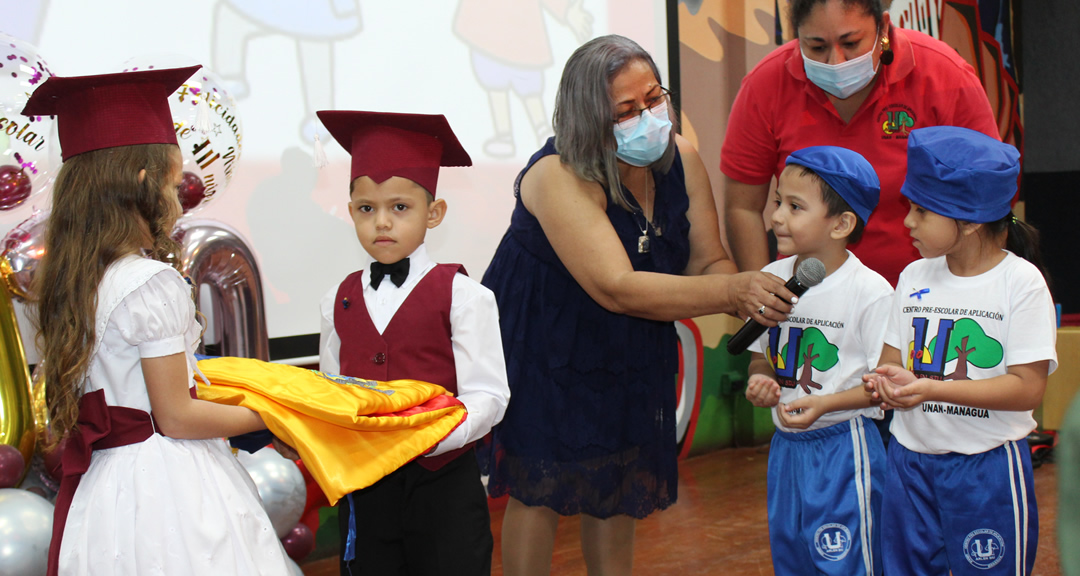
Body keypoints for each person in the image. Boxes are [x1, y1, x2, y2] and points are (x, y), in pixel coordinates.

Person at [480, 34, 799, 576]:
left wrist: (752, 298)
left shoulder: (682, 158)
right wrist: (734, 289)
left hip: (631, 337)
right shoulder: (556, 174)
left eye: (654, 98)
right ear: (586, 120)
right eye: (625, 111)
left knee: (620, 472)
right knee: (541, 482)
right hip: (545, 337)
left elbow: (708, 262)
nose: (648, 117)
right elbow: (616, 286)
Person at [24, 67, 289, 575]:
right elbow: (177, 417)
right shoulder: (149, 281)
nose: (179, 198)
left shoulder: (79, 280)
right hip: (169, 485)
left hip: (107, 490)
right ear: (144, 184)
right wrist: (278, 413)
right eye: (173, 183)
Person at [315, 110, 511, 575]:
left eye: (399, 207)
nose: (382, 222)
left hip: (443, 488)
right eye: (367, 209)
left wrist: (435, 438)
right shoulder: (335, 300)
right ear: (351, 212)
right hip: (368, 487)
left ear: (434, 213)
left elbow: (489, 394)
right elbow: (331, 389)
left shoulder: (465, 296)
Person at [864, 126, 1056, 575]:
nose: (907, 222)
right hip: (909, 463)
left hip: (986, 470)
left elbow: (1028, 389)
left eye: (921, 211)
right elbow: (892, 360)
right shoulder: (914, 276)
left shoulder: (1021, 283)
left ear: (969, 221)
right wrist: (885, 380)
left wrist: (929, 390)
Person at [721, 0, 1000, 287]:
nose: (835, 62)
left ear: (883, 27)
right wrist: (763, 295)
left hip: (924, 296)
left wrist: (966, 291)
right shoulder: (766, 84)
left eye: (851, 43)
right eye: (816, 47)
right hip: (807, 297)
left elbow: (987, 194)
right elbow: (743, 207)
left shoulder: (943, 74)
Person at [744, 146, 891, 575]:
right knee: (792, 558)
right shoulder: (772, 277)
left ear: (842, 224)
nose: (775, 217)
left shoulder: (870, 292)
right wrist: (761, 381)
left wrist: (825, 405)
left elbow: (882, 388)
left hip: (844, 448)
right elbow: (761, 359)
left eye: (795, 206)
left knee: (846, 562)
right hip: (786, 451)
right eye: (776, 201)